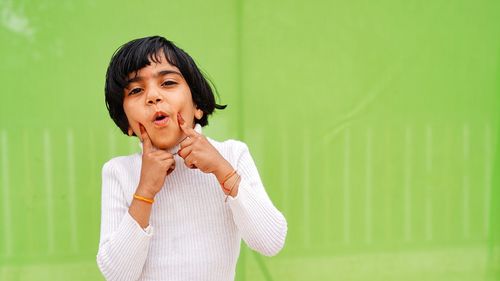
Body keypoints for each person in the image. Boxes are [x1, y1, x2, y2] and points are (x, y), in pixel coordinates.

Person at [96, 35, 287, 281]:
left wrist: (223, 171)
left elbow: (270, 241)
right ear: (127, 122)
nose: (153, 96)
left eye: (167, 83)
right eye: (136, 89)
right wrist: (145, 191)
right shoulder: (118, 172)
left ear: (197, 103)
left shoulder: (231, 155)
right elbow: (117, 275)